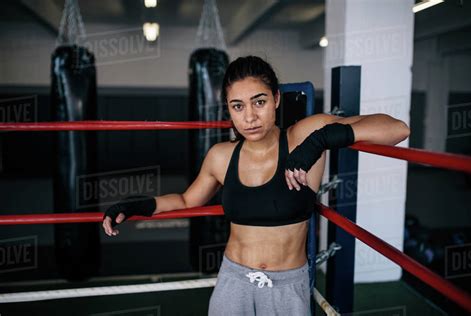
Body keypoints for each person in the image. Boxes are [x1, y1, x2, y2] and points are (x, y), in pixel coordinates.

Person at [102, 56, 410, 315]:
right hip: (233, 282)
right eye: (237, 107)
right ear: (229, 110)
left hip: (288, 287)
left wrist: (321, 140)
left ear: (276, 99)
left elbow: (397, 129)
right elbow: (185, 200)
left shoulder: (303, 136)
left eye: (259, 102)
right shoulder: (221, 156)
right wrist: (135, 205)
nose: (249, 117)